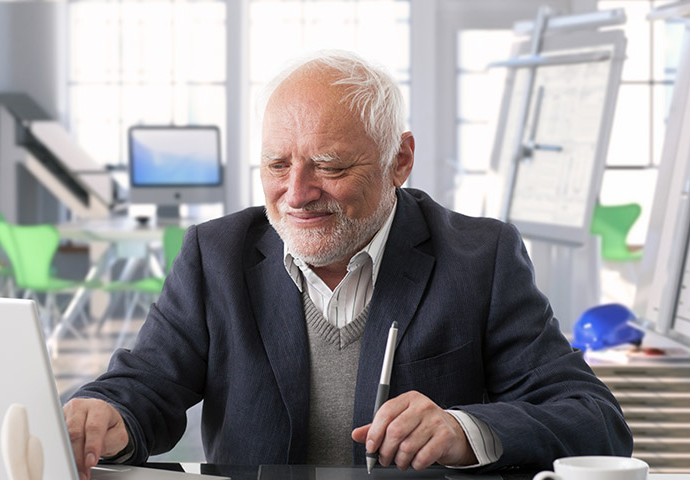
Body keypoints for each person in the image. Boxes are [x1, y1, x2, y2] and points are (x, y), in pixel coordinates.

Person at [63, 50, 632, 480]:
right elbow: (144, 386)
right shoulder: (216, 253)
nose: (296, 193)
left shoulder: (481, 259)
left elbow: (595, 420)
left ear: (399, 160)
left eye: (330, 166)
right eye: (276, 164)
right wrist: (106, 414)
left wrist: (465, 429)